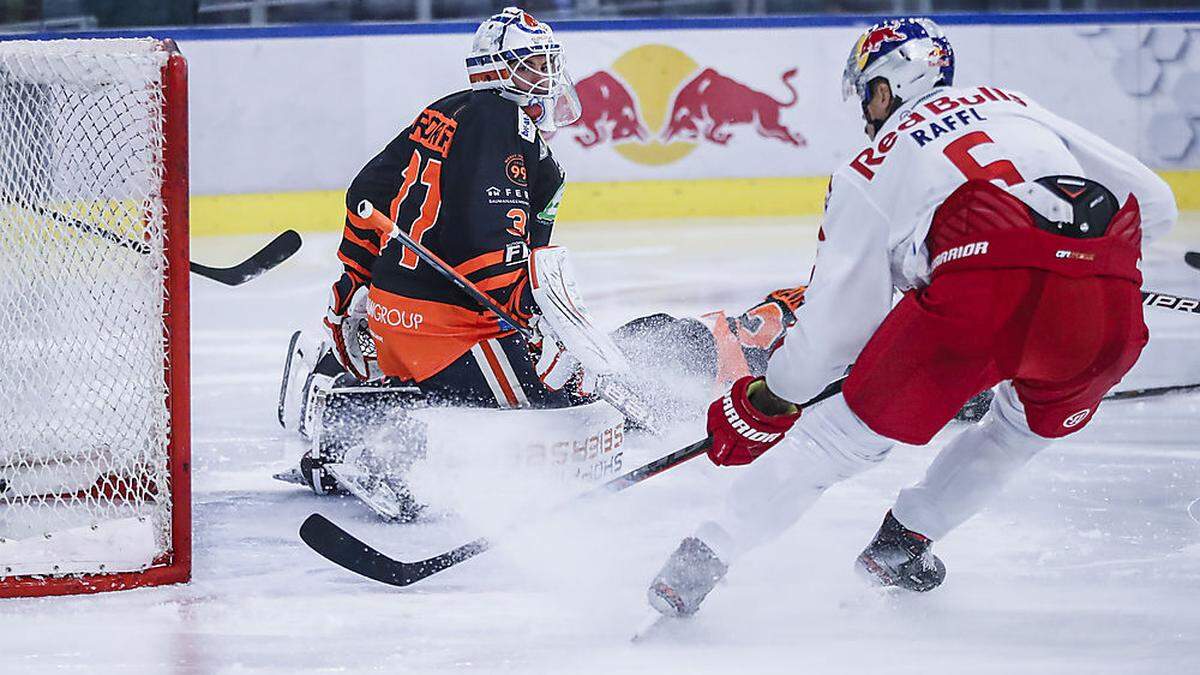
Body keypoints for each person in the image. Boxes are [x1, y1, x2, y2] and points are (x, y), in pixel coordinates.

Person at [646, 17, 1177, 616]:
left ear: (886, 88)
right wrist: (1081, 272)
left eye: (868, 92)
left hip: (975, 304)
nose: (866, 112)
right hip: (1103, 298)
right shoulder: (1013, 103)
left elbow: (836, 332)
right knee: (1019, 428)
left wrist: (772, 399)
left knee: (837, 444)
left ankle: (699, 562)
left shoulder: (867, 169)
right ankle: (902, 544)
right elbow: (1154, 202)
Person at [277, 7, 809, 518]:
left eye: (549, 59)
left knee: (583, 366)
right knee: (573, 391)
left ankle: (349, 397)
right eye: (535, 62)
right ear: (499, 68)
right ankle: (387, 450)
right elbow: (498, 246)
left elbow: (366, 195)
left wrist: (350, 290)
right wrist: (536, 336)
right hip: (452, 339)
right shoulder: (505, 122)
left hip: (393, 324)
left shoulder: (447, 109)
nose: (549, 74)